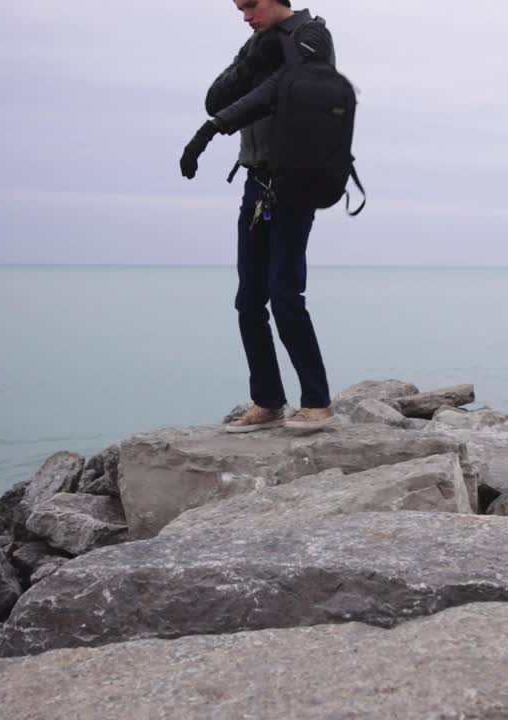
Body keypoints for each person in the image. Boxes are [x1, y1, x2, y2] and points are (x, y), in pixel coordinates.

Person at [180, 0, 337, 433]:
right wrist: (251, 57)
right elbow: (215, 97)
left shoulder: (312, 38)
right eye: (238, 8)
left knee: (284, 293)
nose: (245, 15)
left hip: (295, 181)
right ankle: (268, 402)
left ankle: (317, 403)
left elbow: (279, 91)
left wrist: (213, 129)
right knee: (249, 299)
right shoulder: (258, 42)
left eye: (250, 5)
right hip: (257, 184)